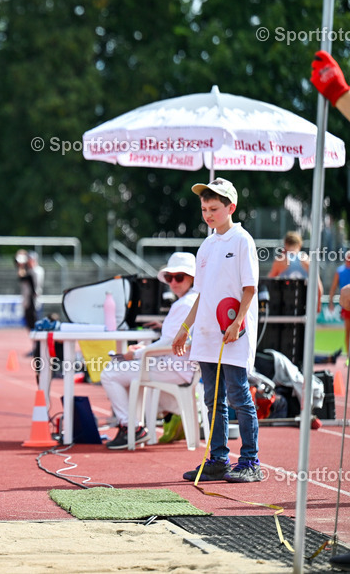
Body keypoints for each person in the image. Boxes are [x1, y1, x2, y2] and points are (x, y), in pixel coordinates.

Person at [172, 177, 261, 483]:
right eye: (204, 208)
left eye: (213, 208)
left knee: (239, 396)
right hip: (207, 335)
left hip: (233, 333)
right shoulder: (207, 245)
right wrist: (185, 327)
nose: (207, 214)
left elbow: (250, 288)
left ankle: (250, 461)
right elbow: (201, 294)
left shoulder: (242, 240)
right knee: (213, 400)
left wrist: (237, 323)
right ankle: (218, 460)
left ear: (230, 207)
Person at [100, 252, 199, 450]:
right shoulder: (193, 300)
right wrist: (146, 347)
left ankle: (131, 428)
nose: (174, 282)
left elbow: (171, 342)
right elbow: (175, 338)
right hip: (183, 367)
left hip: (173, 367)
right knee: (123, 371)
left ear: (193, 278)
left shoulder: (185, 303)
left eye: (179, 277)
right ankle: (133, 425)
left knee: (110, 373)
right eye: (170, 278)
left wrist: (137, 353)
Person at [330, 252, 350, 359]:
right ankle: (348, 356)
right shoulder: (340, 271)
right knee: (348, 331)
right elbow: (334, 287)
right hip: (347, 303)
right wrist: (331, 301)